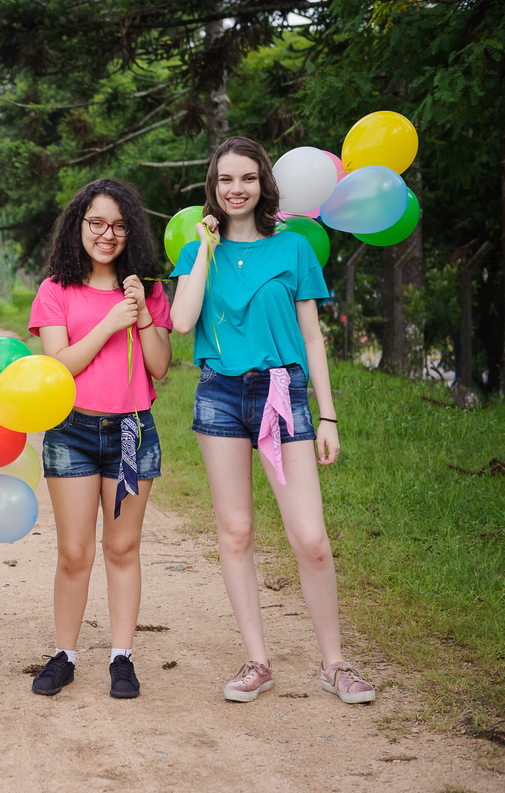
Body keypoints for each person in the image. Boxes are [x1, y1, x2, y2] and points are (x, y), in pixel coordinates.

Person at [168, 137, 375, 705]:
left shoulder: (293, 252)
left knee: (309, 537)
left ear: (264, 186)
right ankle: (257, 660)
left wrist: (327, 413)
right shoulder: (195, 253)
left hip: (283, 395)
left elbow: (313, 337)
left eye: (248, 179)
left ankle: (334, 663)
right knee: (235, 532)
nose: (237, 189)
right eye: (226, 179)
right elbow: (183, 323)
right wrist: (204, 248)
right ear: (212, 187)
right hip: (219, 397)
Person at [27, 179, 172, 698]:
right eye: (96, 223)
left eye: (117, 225)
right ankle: (65, 654)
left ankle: (121, 657)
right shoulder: (55, 290)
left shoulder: (147, 289)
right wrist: (112, 322)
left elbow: (158, 366)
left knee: (123, 546)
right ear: (78, 227)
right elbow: (59, 366)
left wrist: (145, 314)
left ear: (130, 231)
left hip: (132, 431)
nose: (107, 234)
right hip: (74, 432)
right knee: (74, 551)